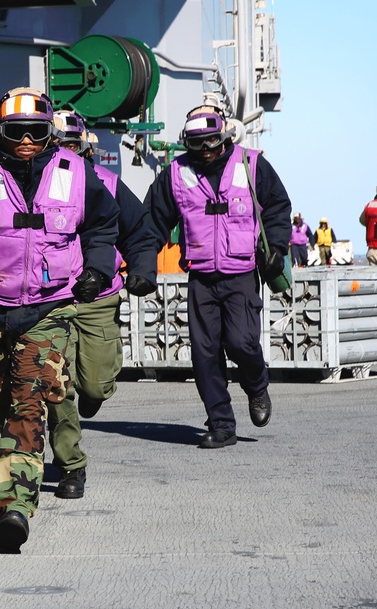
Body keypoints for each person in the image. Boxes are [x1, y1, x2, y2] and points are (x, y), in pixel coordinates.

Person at [0, 87, 118, 551]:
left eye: (37, 131)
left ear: (50, 133)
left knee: (29, 402)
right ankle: (26, 458)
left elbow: (102, 225)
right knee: (2, 396)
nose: (28, 141)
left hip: (48, 308)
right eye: (18, 132)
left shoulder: (76, 174)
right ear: (0, 133)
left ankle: (15, 506)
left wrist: (96, 268)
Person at [147, 104, 291, 449]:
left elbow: (277, 207)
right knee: (204, 353)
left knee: (241, 342)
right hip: (200, 277)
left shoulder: (251, 164)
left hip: (241, 273)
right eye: (198, 144)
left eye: (212, 140)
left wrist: (278, 248)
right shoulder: (176, 173)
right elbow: (152, 221)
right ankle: (222, 423)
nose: (207, 149)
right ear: (188, 143)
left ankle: (257, 387)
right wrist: (141, 265)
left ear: (224, 136)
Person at [46, 110, 159, 499]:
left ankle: (94, 390)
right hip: (52, 300)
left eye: (72, 146)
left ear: (86, 147)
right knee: (58, 388)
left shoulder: (108, 184)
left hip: (99, 297)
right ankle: (70, 466)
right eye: (57, 145)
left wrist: (143, 270)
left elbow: (141, 232)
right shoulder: (34, 185)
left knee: (93, 386)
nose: (66, 153)